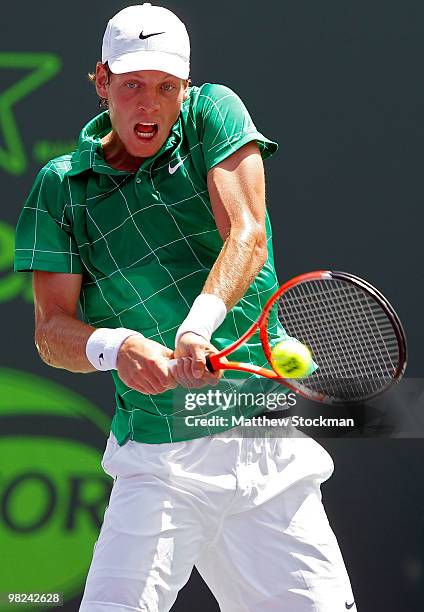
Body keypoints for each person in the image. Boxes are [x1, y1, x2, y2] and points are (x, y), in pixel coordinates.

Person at [14, 4, 356, 611]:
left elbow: (247, 232)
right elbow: (50, 332)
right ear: (101, 82)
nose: (149, 105)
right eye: (132, 86)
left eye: (166, 87)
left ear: (186, 86)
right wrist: (115, 349)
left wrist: (197, 327)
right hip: (159, 461)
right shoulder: (62, 187)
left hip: (266, 452)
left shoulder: (213, 114)